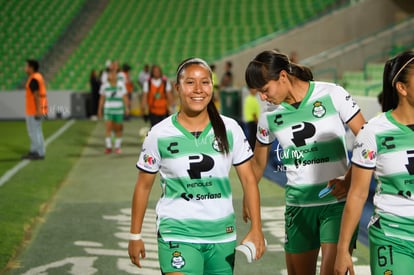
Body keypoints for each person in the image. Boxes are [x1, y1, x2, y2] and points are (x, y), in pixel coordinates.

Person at [128, 57, 265, 274]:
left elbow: (249, 179)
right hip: (177, 232)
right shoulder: (159, 134)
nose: (198, 89)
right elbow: (143, 186)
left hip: (222, 234)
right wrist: (135, 235)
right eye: (190, 82)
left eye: (205, 82)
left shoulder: (230, 129)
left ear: (212, 86)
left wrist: (257, 228)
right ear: (177, 88)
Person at [244, 50, 366, 275]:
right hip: (298, 208)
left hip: (336, 205)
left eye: (264, 90)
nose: (262, 97)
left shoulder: (332, 94)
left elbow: (368, 140)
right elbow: (258, 165)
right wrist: (247, 195)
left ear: (282, 77)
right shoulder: (268, 115)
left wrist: (349, 180)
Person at [335, 51, 414, 275]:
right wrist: (343, 249)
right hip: (392, 237)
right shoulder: (373, 131)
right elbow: (358, 194)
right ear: (402, 88)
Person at [97, 68, 129, 154]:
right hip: (108, 110)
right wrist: (99, 109)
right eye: (111, 74)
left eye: (114, 74)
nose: (112, 76)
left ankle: (117, 146)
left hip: (118, 110)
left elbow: (125, 97)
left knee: (118, 128)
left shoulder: (121, 85)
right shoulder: (104, 86)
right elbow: (102, 98)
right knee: (108, 128)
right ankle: (109, 147)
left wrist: (126, 107)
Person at [22, 59, 48, 160]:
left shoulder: (33, 79)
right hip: (37, 109)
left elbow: (36, 96)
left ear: (31, 68)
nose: (25, 68)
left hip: (34, 110)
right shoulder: (38, 77)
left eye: (27, 66)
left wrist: (38, 110)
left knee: (34, 131)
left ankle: (38, 152)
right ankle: (35, 150)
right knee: (36, 131)